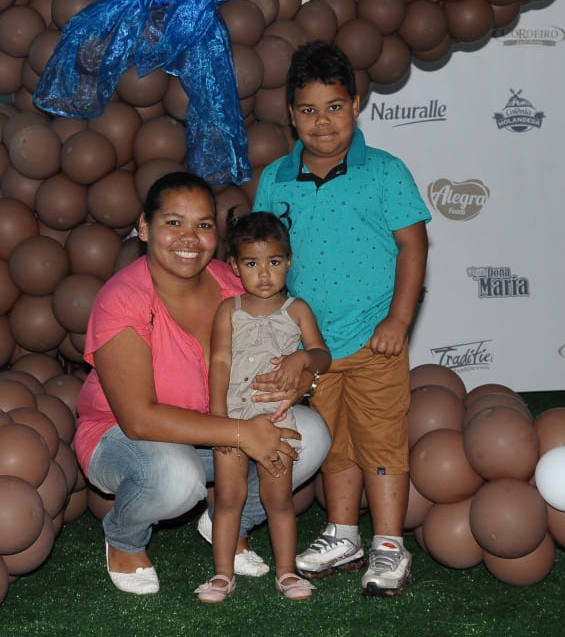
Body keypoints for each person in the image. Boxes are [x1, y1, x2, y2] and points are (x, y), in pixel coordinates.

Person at [72, 171, 331, 596]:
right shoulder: (123, 299)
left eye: (204, 224)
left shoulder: (234, 282)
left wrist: (299, 379)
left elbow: (293, 348)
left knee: (309, 434)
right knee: (175, 476)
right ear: (144, 227)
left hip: (222, 427)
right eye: (174, 222)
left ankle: (229, 522)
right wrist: (241, 433)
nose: (189, 238)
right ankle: (124, 540)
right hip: (126, 437)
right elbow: (138, 420)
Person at [251, 40, 431, 598]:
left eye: (334, 107)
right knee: (333, 443)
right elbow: (264, 259)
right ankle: (344, 533)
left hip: (375, 340)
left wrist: (399, 320)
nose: (322, 121)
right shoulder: (275, 179)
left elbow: (414, 246)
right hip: (313, 348)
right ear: (291, 115)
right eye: (308, 110)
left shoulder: (385, 171)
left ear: (356, 105)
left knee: (381, 439)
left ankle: (390, 544)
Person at [199, 212, 331, 602]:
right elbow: (219, 361)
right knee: (228, 498)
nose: (264, 274)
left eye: (273, 261)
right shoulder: (229, 310)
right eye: (252, 264)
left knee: (278, 499)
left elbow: (323, 356)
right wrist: (218, 419)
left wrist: (302, 358)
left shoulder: (297, 309)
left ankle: (286, 572)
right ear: (235, 266)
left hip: (277, 419)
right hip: (233, 421)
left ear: (288, 261)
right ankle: (222, 575)